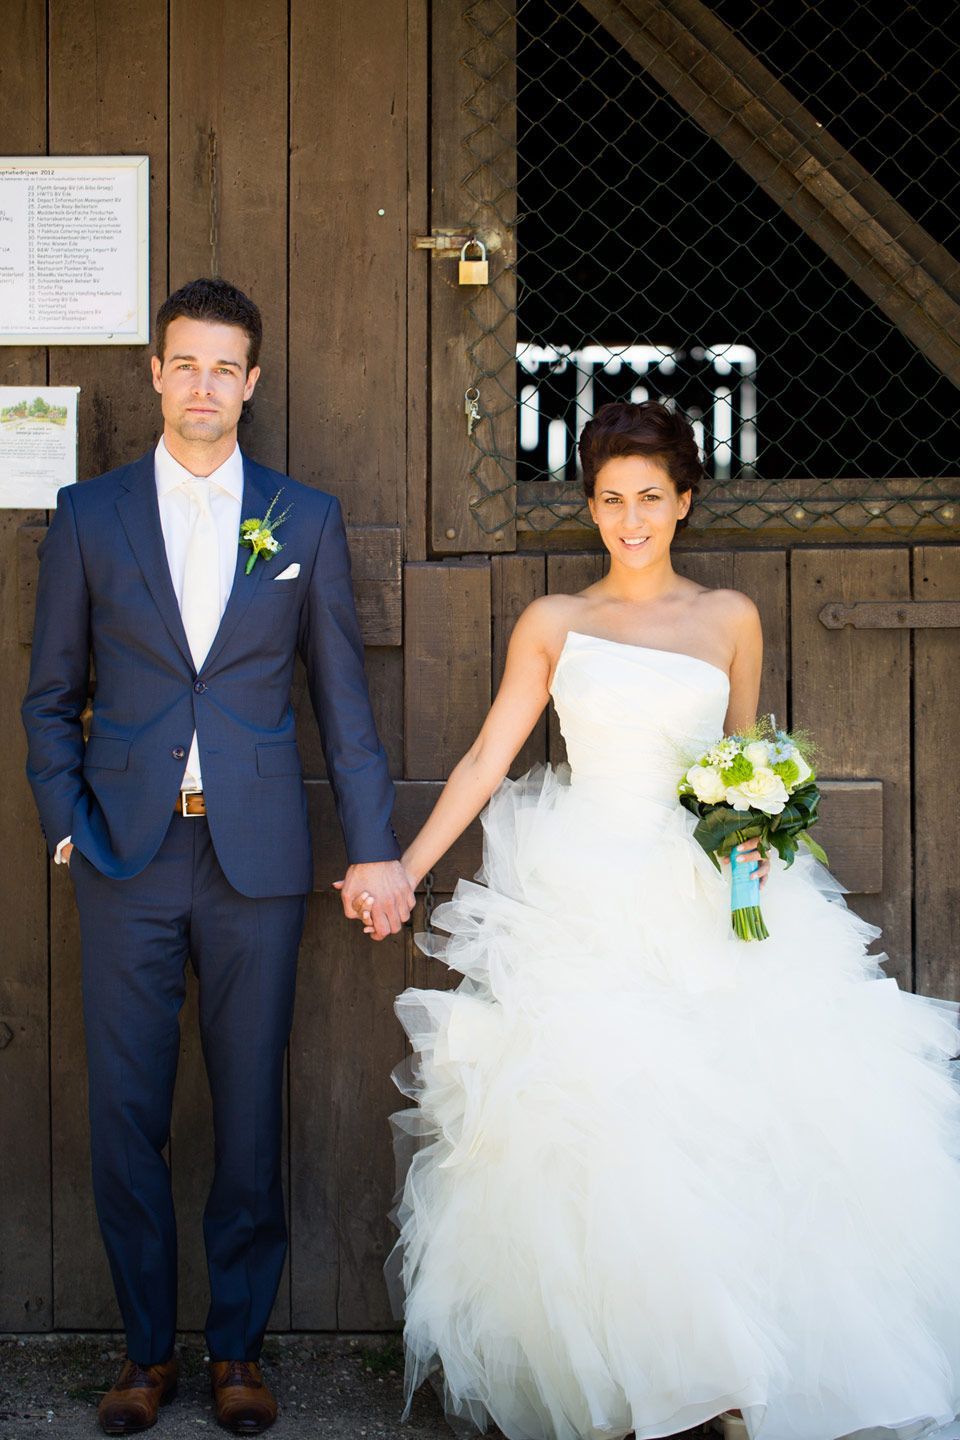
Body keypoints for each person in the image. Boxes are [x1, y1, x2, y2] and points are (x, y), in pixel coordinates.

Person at [358, 401, 960, 1440]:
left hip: (701, 891)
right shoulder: (555, 623)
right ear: (589, 508)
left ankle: (734, 1376)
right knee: (608, 1125)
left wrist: (758, 836)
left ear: (683, 502)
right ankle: (642, 1373)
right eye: (608, 501)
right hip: (583, 884)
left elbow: (741, 764)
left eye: (649, 499)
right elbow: (485, 760)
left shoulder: (731, 618)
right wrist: (405, 869)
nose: (629, 520)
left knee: (741, 1118)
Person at [21, 278, 414, 1436]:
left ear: (251, 380)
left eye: (223, 368)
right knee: (125, 1111)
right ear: (154, 372)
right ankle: (145, 1354)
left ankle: (238, 1350)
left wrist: (379, 850)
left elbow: (342, 706)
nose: (202, 386)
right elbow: (51, 696)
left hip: (257, 861)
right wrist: (67, 818)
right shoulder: (89, 515)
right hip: (125, 855)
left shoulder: (304, 517)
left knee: (249, 1113)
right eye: (182, 364)